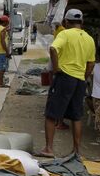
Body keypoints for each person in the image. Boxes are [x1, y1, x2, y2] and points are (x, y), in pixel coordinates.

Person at [37, 9, 95, 159]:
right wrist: (83, 76)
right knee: (76, 116)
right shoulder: (89, 39)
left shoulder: (65, 34)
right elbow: (91, 64)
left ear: (66, 22)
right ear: (81, 22)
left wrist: (56, 69)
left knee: (51, 114)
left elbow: (53, 48)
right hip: (79, 80)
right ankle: (76, 152)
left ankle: (49, 149)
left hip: (65, 77)